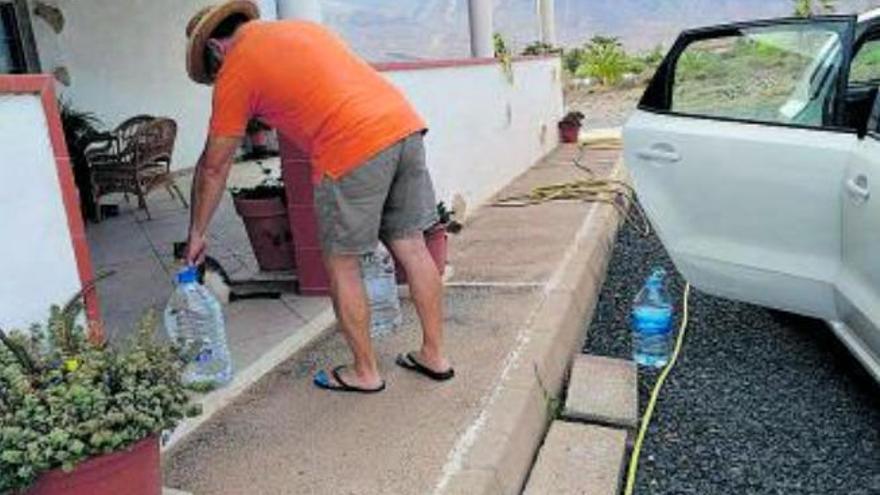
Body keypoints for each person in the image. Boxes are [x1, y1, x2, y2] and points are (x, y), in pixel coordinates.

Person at [183, 1, 453, 393]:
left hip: (350, 147)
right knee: (412, 246)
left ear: (214, 49)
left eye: (213, 71)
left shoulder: (237, 66)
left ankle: (364, 372)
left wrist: (198, 232)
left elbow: (214, 165)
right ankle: (435, 355)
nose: (217, 77)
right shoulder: (301, 30)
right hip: (403, 127)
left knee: (341, 263)